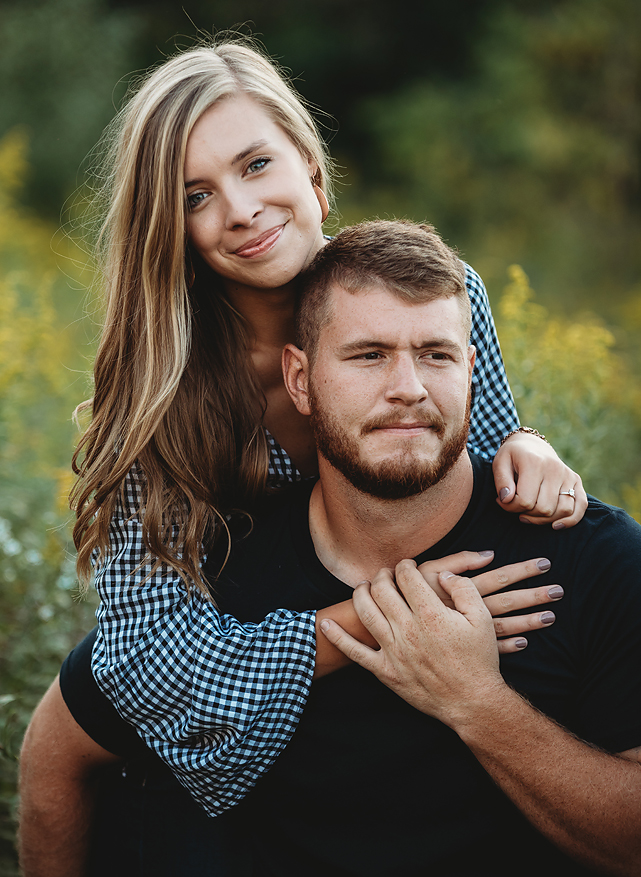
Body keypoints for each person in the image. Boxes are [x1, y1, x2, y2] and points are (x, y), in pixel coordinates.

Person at [21, 221, 640, 877]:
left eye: (435, 354)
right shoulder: (219, 590)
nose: (407, 388)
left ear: (473, 370)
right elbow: (57, 751)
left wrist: (475, 702)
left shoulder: (589, 559)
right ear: (299, 379)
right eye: (368, 356)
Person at [66, 37, 585, 822]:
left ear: (309, 164)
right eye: (193, 196)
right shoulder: (159, 392)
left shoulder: (430, 291)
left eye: (255, 165)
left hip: (419, 664)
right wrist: (372, 620)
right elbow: (147, 664)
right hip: (247, 685)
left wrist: (527, 444)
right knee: (58, 757)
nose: (240, 211)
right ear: (166, 226)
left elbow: (477, 471)